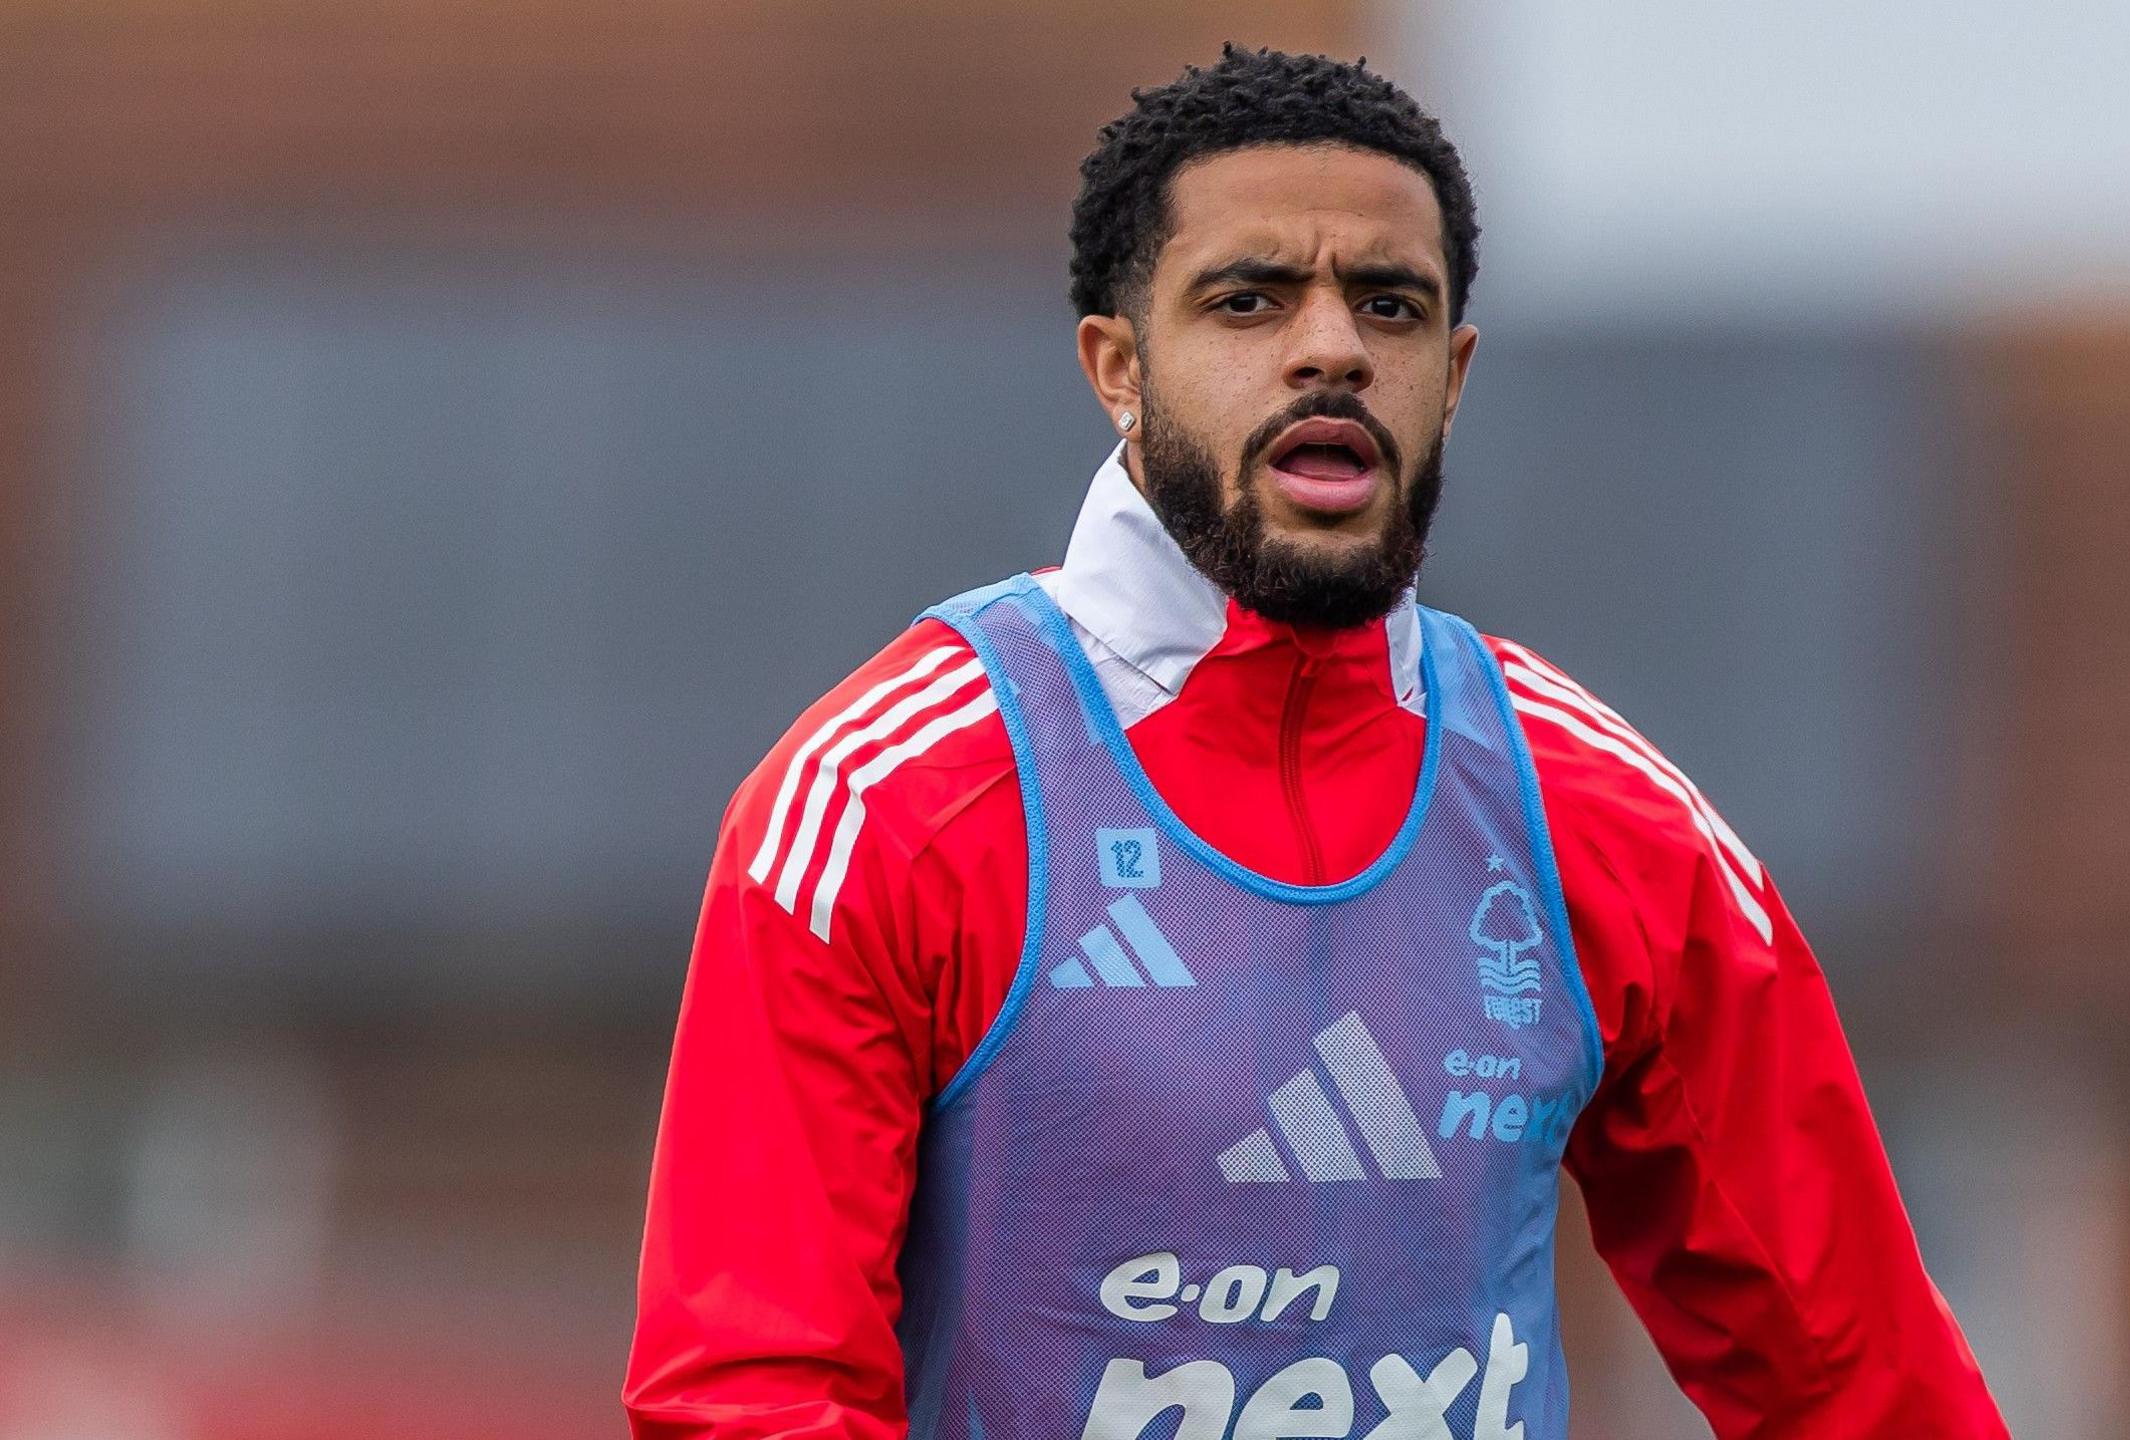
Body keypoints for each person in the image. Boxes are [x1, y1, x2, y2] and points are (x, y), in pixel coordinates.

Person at [624, 44, 2007, 1440]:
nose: (1333, 345)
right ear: (1118, 366)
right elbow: (751, 1393)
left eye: (1389, 305)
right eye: (1249, 299)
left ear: (1452, 375)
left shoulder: (1607, 822)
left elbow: (1860, 1380)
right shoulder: (882, 805)